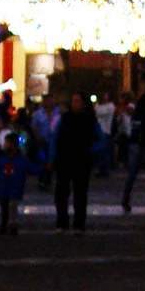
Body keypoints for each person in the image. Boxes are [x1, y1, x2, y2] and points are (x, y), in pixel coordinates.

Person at [51, 92, 97, 231]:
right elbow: (55, 137)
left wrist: (90, 151)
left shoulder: (89, 119)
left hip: (81, 159)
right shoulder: (65, 118)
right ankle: (62, 221)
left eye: (77, 101)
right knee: (62, 192)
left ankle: (78, 223)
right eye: (73, 100)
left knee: (80, 193)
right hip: (65, 158)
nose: (74, 103)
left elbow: (99, 139)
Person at [0, 105, 31, 235]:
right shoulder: (2, 158)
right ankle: (4, 224)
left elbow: (25, 169)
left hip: (13, 186)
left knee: (12, 207)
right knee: (5, 207)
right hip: (4, 186)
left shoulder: (17, 159)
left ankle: (11, 224)